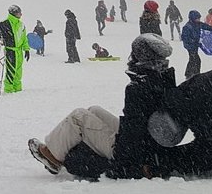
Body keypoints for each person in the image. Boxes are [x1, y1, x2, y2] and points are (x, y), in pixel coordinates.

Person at [31, 34, 177, 180]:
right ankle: (66, 148)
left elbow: (135, 128)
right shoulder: (161, 77)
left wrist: (124, 155)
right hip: (147, 142)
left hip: (130, 150)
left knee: (78, 116)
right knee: (94, 110)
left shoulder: (139, 86)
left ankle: (53, 157)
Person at [0, 4, 31, 93]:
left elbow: (24, 38)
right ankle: (9, 90)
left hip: (19, 52)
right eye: (19, 12)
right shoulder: (5, 23)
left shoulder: (21, 25)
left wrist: (26, 49)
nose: (21, 14)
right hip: (10, 51)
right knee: (11, 71)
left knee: (18, 72)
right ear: (14, 13)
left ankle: (18, 89)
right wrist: (0, 36)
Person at [181, 10, 212, 79]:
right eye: (197, 18)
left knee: (193, 59)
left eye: (199, 18)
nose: (198, 20)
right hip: (189, 46)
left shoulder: (198, 24)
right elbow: (185, 38)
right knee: (196, 60)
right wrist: (195, 41)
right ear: (192, 18)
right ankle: (195, 75)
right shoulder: (187, 27)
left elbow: (209, 27)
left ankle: (189, 74)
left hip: (195, 45)